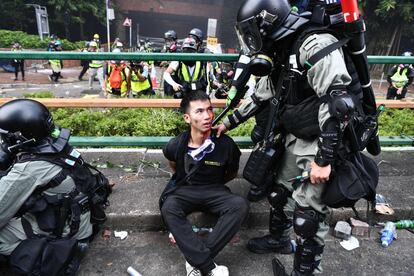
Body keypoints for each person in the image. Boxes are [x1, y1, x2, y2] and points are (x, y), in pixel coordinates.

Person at [215, 0, 378, 274]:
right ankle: (279, 240)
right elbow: (260, 95)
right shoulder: (281, 49)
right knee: (278, 193)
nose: (251, 40)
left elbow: (338, 103)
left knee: (308, 217)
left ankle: (306, 272)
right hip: (297, 132)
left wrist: (324, 160)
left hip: (324, 139)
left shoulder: (313, 44)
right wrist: (226, 123)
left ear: (266, 24)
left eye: (252, 31)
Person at [0, 99, 111, 275]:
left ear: (20, 138)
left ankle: (47, 254)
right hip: (84, 220)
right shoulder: (55, 144)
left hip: (67, 233)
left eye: (6, 137)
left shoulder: (30, 169)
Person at [160, 91, 248, 276]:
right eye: (199, 111)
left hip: (215, 190)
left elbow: (231, 172)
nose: (207, 116)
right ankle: (207, 266)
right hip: (186, 190)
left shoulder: (226, 144)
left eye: (209, 109)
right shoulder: (176, 144)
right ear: (187, 118)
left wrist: (215, 185)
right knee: (169, 207)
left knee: (239, 205)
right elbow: (173, 164)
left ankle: (195, 261)